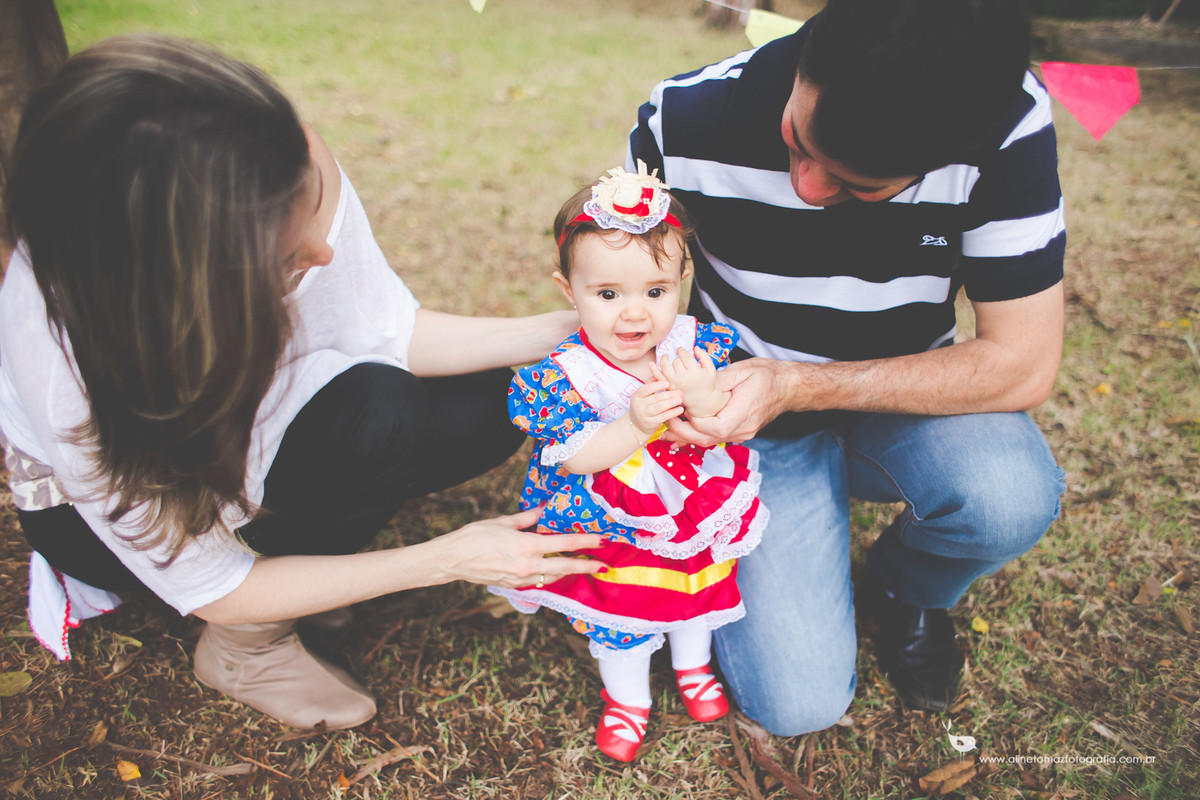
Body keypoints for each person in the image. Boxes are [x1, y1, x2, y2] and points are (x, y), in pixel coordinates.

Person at [0, 34, 607, 731]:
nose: (321, 254)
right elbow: (217, 587)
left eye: (313, 208)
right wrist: (448, 558)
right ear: (191, 288)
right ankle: (248, 650)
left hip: (262, 409)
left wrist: (573, 330)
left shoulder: (274, 155)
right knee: (375, 429)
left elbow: (381, 329)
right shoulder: (75, 373)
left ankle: (303, 558)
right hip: (96, 516)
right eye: (288, 256)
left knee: (487, 403)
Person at [626, 0, 1066, 733]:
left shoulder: (1006, 121)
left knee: (1007, 494)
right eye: (798, 139)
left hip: (901, 407)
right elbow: (628, 307)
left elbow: (1022, 364)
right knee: (799, 707)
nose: (807, 187)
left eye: (860, 185)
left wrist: (796, 384)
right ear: (809, 54)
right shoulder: (683, 118)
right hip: (742, 428)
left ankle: (905, 587)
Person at [490, 164, 768, 761]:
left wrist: (700, 395)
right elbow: (576, 459)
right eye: (608, 295)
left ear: (681, 282)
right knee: (623, 613)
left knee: (695, 589)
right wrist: (634, 425)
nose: (635, 315)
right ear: (571, 291)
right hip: (613, 519)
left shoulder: (691, 343)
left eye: (656, 292)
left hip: (691, 506)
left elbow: (719, 415)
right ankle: (627, 699)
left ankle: (693, 666)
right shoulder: (568, 377)